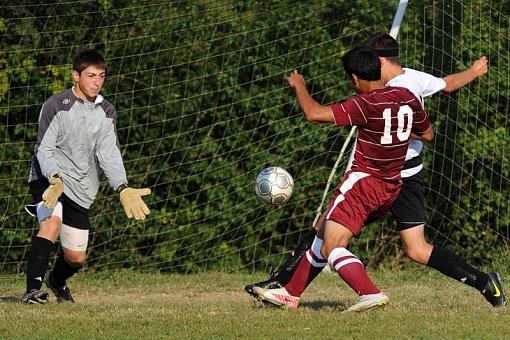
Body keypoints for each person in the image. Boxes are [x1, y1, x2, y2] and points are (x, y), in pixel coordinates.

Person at [246, 33, 507, 309]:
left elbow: (314, 114)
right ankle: (484, 281)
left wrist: (299, 86)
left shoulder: (370, 100)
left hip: (378, 176)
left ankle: (308, 289)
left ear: (376, 62)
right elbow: (437, 112)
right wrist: (475, 71)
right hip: (401, 177)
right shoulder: (411, 86)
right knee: (386, 241)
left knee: (331, 237)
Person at [253, 46, 434, 311]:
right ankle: (290, 293)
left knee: (331, 247)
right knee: (325, 232)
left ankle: (369, 292)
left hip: (362, 183)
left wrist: (299, 86)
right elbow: (427, 134)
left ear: (354, 78)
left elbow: (313, 114)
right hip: (391, 186)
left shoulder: (364, 104)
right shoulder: (406, 96)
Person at [21, 48, 151, 304]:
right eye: (91, 75)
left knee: (76, 258)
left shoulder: (107, 112)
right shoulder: (56, 105)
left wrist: (122, 187)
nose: (97, 82)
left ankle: (55, 281)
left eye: (101, 76)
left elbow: (109, 154)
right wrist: (55, 177)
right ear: (75, 76)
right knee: (51, 224)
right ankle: (32, 291)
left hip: (80, 187)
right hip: (49, 180)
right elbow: (44, 149)